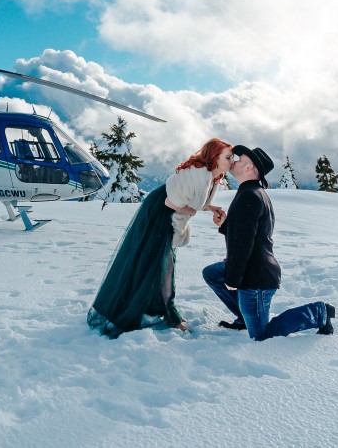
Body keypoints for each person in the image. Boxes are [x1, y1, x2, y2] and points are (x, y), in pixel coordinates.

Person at [87, 138, 233, 338]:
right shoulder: (200, 175)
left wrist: (209, 207)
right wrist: (192, 211)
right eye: (228, 156)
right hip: (160, 214)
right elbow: (171, 202)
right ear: (214, 158)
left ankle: (156, 306)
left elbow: (191, 199)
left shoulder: (210, 176)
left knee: (158, 262)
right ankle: (168, 313)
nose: (232, 160)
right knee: (160, 263)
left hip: (165, 213)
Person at [202, 145, 336, 340]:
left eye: (240, 159)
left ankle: (319, 312)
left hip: (256, 279)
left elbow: (243, 244)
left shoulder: (249, 195)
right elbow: (249, 234)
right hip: (252, 268)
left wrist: (232, 279)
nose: (234, 161)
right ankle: (244, 316)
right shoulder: (252, 192)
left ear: (249, 167)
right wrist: (225, 225)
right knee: (212, 274)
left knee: (261, 335)